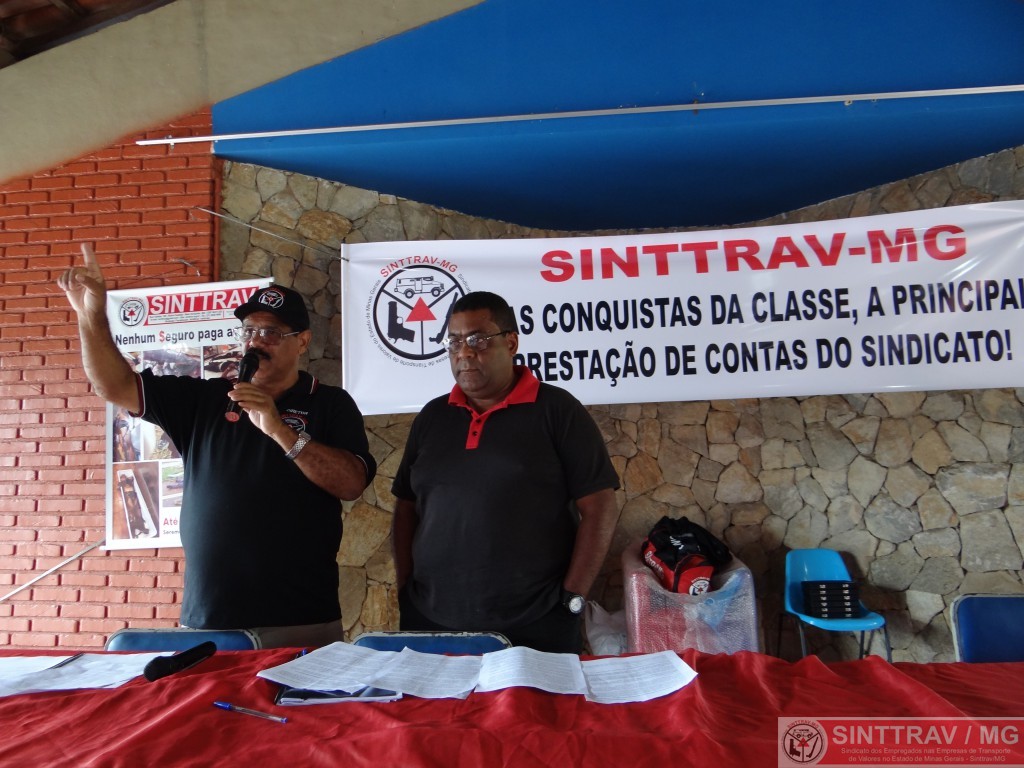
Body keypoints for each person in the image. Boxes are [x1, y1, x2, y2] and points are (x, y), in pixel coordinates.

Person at [58, 244, 377, 648]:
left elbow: (351, 483)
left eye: (271, 333)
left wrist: (280, 430)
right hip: (210, 618)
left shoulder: (330, 403)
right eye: (249, 331)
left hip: (301, 617)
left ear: (302, 342)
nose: (256, 342)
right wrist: (90, 315)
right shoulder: (205, 399)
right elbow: (113, 386)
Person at [391, 291, 620, 653]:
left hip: (536, 623)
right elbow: (406, 508)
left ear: (511, 343)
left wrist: (572, 599)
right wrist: (405, 589)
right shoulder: (432, 417)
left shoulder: (557, 411)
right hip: (430, 619)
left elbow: (600, 507)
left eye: (477, 340)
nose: (464, 353)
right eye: (454, 342)